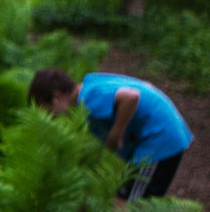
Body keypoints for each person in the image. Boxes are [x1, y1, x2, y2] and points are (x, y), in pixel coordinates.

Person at [28, 67, 194, 201]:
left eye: (46, 110)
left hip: (159, 141)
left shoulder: (87, 97)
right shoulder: (90, 86)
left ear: (57, 97)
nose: (50, 117)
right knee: (125, 199)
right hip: (158, 138)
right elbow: (144, 86)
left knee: (129, 203)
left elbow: (131, 97)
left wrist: (115, 135)